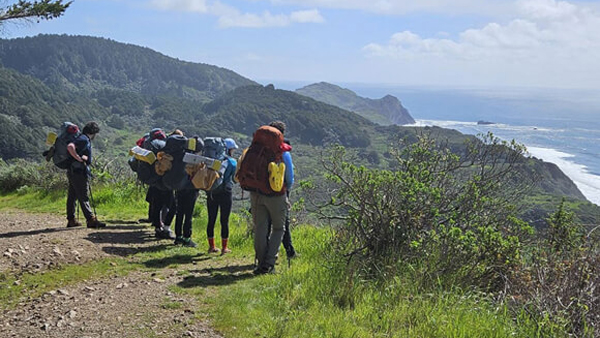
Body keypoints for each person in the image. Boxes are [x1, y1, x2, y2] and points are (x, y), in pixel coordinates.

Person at [251, 121, 294, 274]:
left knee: (260, 228)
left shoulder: (255, 149)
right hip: (276, 195)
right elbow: (289, 178)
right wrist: (285, 191)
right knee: (278, 228)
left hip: (255, 193)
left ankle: (260, 263)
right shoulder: (282, 152)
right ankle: (268, 264)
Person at [65, 121, 106, 228]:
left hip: (72, 171)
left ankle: (71, 220)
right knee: (84, 195)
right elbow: (70, 147)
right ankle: (91, 219)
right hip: (79, 172)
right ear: (93, 132)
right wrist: (79, 158)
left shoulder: (80, 137)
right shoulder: (83, 139)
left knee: (72, 196)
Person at [205, 138, 238, 254]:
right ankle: (224, 248)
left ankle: (211, 246)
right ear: (229, 149)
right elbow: (235, 179)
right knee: (224, 220)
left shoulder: (212, 161)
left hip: (212, 192)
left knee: (211, 219)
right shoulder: (232, 162)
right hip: (226, 193)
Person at [174, 136, 204, 247]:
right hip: (191, 189)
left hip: (180, 187)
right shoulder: (197, 159)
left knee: (179, 212)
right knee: (188, 215)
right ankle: (187, 238)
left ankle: (178, 237)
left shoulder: (181, 156)